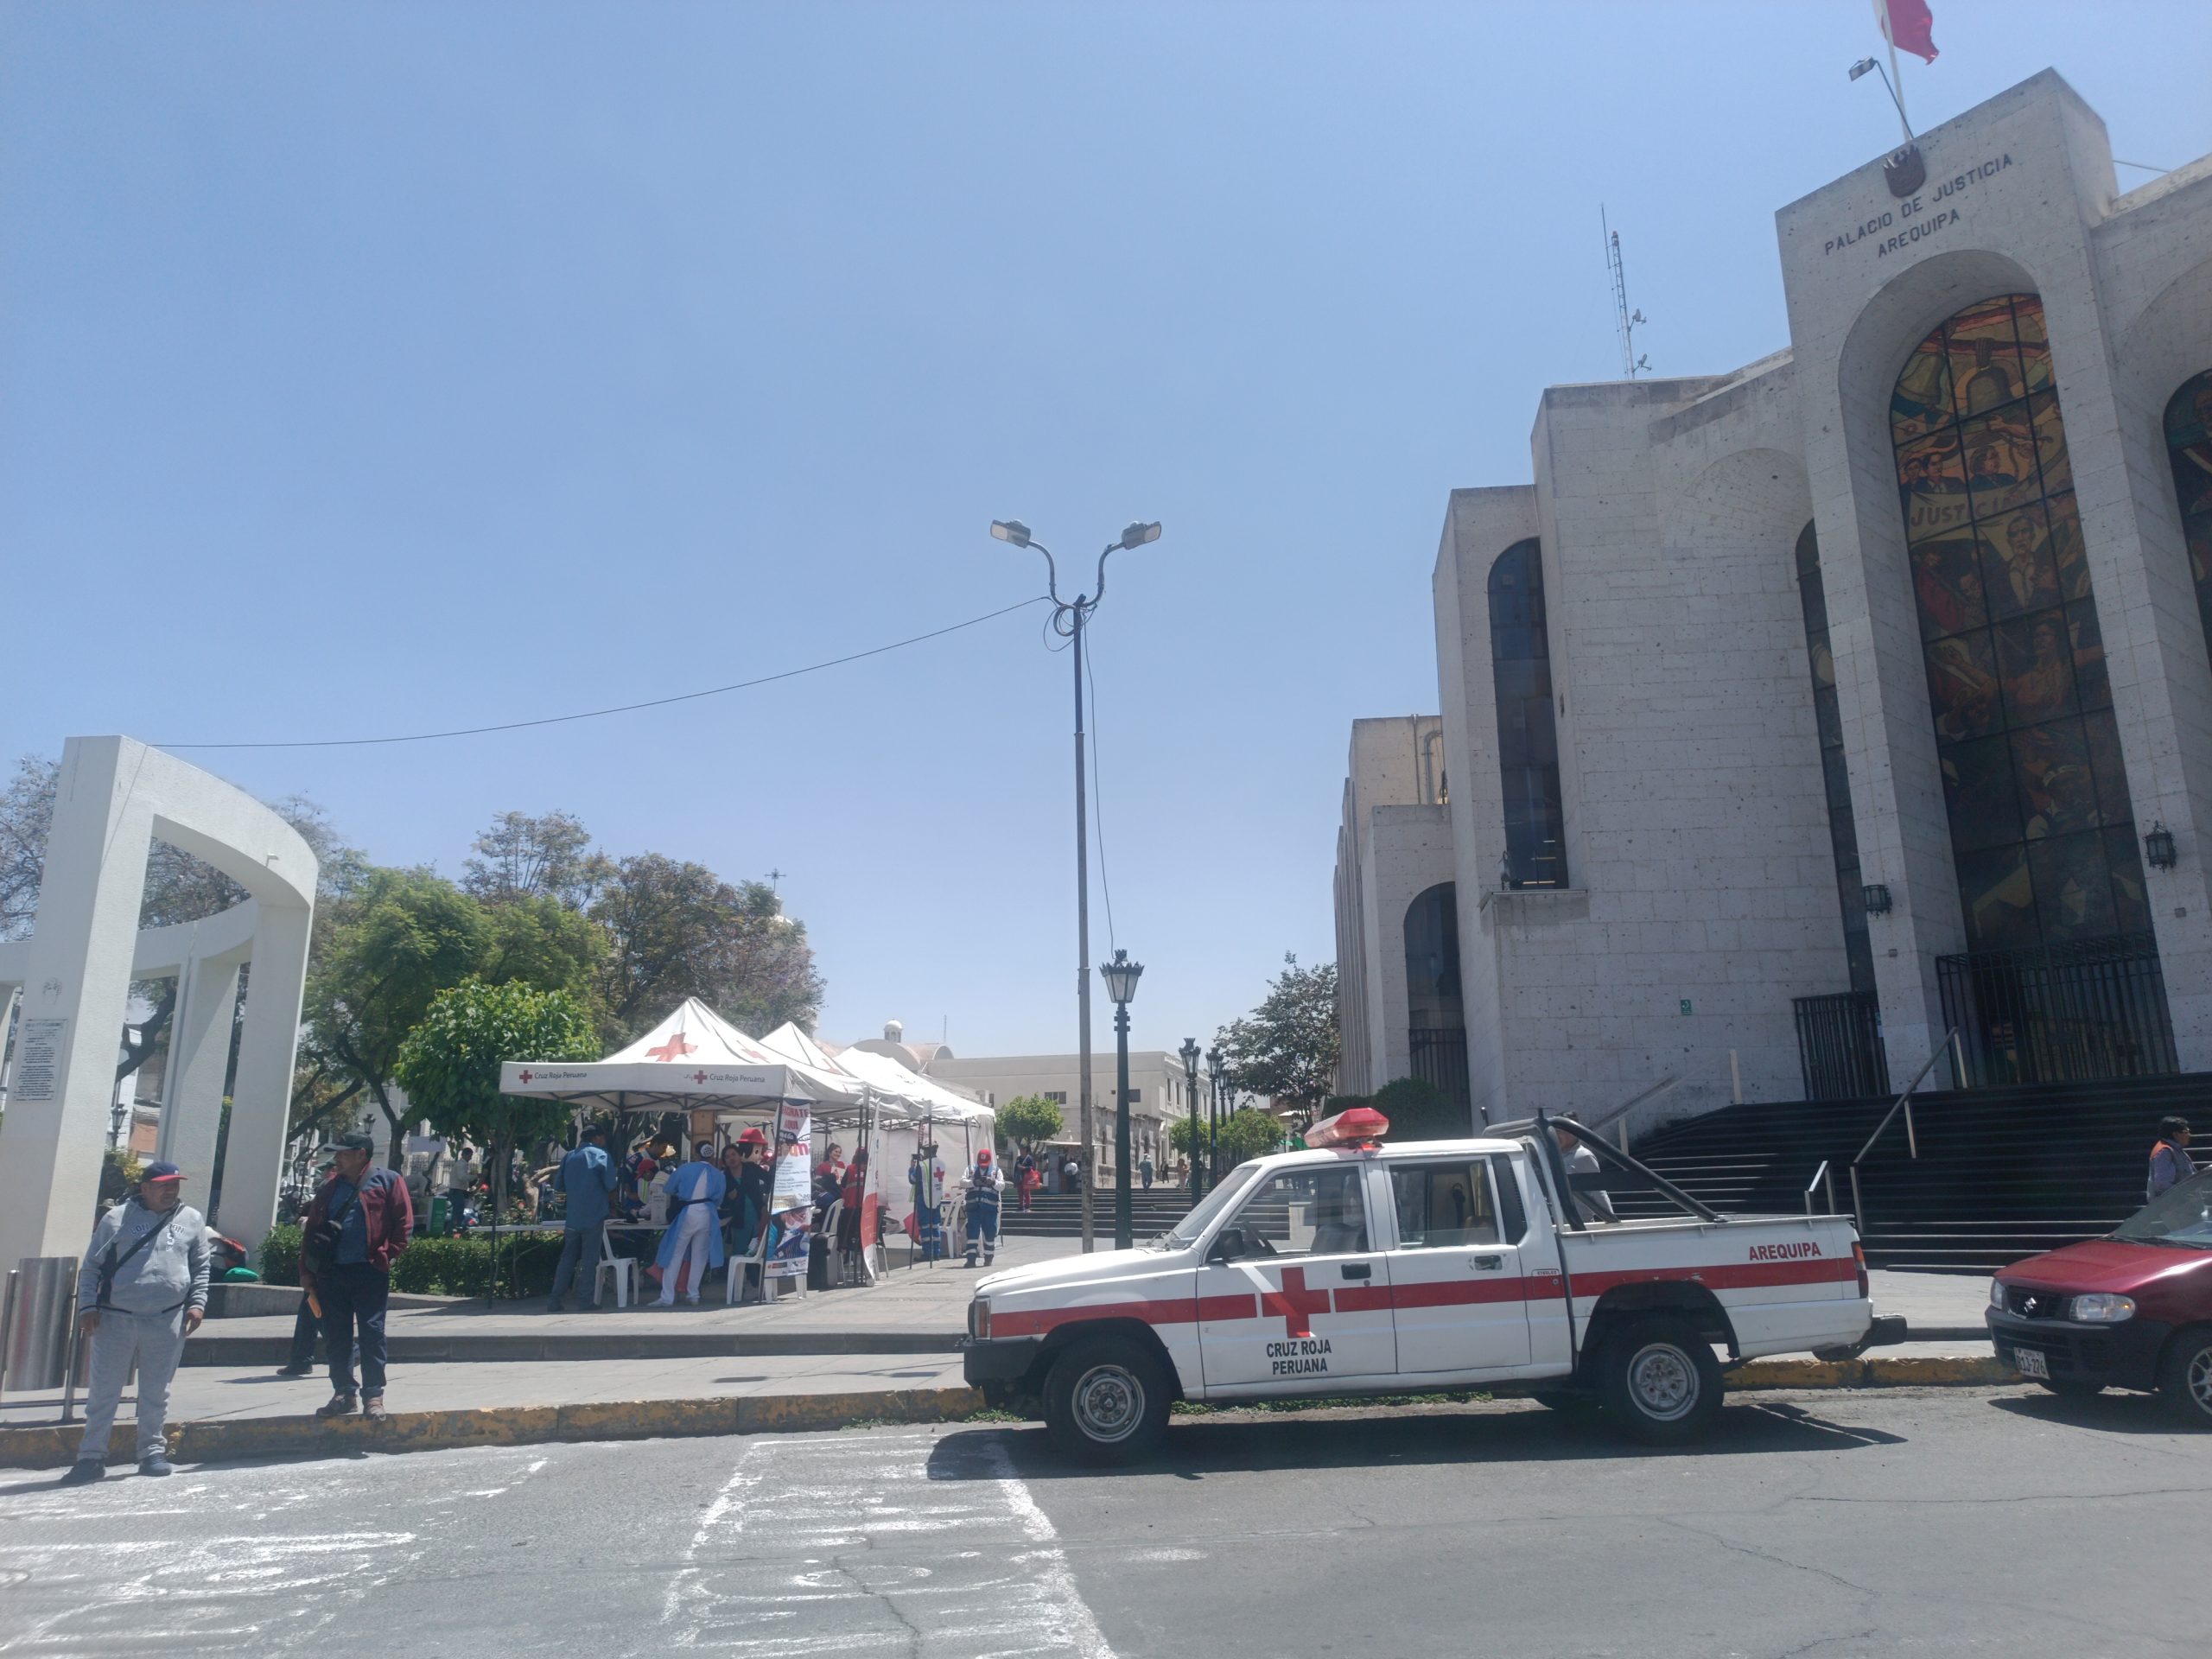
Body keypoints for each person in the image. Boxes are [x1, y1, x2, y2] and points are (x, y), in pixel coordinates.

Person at [62, 1161, 210, 1483]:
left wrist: (197, 1304)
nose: (171, 1191)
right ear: (145, 1188)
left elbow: (201, 1267)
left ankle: (151, 1452)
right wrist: (87, 1305)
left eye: (175, 1185)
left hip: (167, 1319)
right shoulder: (116, 1219)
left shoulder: (192, 1220)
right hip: (116, 1319)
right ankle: (91, 1457)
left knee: (157, 1390)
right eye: (163, 1185)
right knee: (105, 1392)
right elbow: (92, 1267)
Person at [301, 1130, 414, 1421]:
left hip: (370, 1271)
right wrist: (306, 1273)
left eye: (343, 1152)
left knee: (372, 1332)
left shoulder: (387, 1181)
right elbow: (312, 1231)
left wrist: (387, 1255)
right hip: (331, 1273)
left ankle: (373, 1394)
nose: (336, 1158)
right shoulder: (329, 1188)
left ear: (360, 1155)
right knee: (336, 1334)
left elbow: (403, 1224)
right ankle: (343, 1392)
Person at [545, 1123, 618, 1313]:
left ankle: (554, 1300)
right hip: (594, 1215)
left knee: (567, 1259)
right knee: (589, 1260)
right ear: (598, 1138)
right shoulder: (601, 1155)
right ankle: (585, 1301)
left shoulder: (569, 1156)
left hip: (573, 1217)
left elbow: (559, 1185)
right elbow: (610, 1184)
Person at [653, 1146, 727, 1306]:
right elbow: (719, 1199)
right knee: (699, 1256)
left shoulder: (685, 1168)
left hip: (689, 1211)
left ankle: (667, 1296)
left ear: (695, 1153)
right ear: (712, 1155)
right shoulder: (718, 1174)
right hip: (708, 1213)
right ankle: (693, 1295)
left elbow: (669, 1188)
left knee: (675, 1253)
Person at [1554, 1125, 1617, 1224]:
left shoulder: (1583, 1156)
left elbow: (1598, 1190)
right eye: (1554, 1132)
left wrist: (1611, 1219)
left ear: (1572, 1133)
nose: (1556, 1136)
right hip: (1559, 1224)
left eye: (1559, 1132)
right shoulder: (1556, 1156)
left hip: (1581, 1225)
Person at [962, 1148, 1002, 1268]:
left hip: (989, 1209)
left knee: (989, 1235)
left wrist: (993, 1182)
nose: (983, 1166)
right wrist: (974, 1182)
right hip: (974, 1209)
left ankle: (988, 1259)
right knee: (972, 1235)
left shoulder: (996, 1171)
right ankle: (971, 1261)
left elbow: (1002, 1186)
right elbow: (962, 1182)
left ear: (990, 1161)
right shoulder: (970, 1169)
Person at [2149, 1117, 2196, 1201]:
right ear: (2176, 1134)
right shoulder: (2164, 1152)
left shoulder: (2176, 1151)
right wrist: (2185, 1196)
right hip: (2174, 1209)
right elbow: (2163, 1185)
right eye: (2186, 1132)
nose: (2189, 1135)